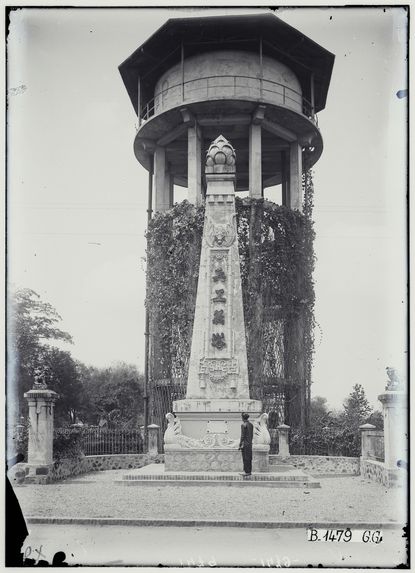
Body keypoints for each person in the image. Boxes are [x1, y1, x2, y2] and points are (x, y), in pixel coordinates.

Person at [238, 412, 253, 476]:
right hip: (249, 443)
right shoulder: (251, 425)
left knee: (245, 458)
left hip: (245, 444)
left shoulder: (243, 425)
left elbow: (242, 436)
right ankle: (249, 471)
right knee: (249, 458)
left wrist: (240, 444)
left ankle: (246, 472)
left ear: (242, 418)